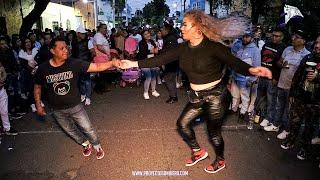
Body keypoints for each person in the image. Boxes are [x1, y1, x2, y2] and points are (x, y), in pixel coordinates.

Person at [120, 10, 272, 174]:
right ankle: (198, 152)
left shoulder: (214, 47)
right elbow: (159, 59)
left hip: (216, 97)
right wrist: (133, 64)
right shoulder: (183, 48)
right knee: (182, 124)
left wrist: (253, 70)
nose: (181, 28)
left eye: (185, 24)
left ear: (198, 28)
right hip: (197, 97)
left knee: (214, 134)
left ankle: (220, 160)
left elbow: (235, 64)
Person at [33, 37, 121, 160]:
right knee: (70, 131)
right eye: (61, 48)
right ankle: (85, 144)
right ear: (52, 51)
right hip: (56, 110)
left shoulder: (74, 63)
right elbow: (37, 87)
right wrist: (38, 104)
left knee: (88, 128)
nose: (66, 50)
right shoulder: (43, 69)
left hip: (75, 106)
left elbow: (96, 66)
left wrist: (112, 63)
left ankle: (97, 146)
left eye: (66, 47)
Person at [280, 35, 320, 161]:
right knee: (295, 121)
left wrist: (317, 78)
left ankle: (304, 148)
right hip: (300, 97)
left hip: (315, 101)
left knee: (309, 126)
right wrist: (292, 93)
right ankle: (291, 141)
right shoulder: (308, 57)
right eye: (317, 42)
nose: (317, 46)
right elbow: (297, 76)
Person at [264, 29, 310, 132]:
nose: (293, 38)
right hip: (282, 83)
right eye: (293, 36)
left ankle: (287, 130)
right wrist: (282, 64)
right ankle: (276, 125)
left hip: (292, 87)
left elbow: (304, 74)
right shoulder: (287, 49)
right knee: (279, 106)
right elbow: (279, 62)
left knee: (289, 110)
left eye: (297, 37)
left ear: (303, 41)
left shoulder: (307, 55)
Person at [256, 28, 286, 137]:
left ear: (282, 37)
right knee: (260, 97)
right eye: (273, 35)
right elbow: (261, 58)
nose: (274, 37)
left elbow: (281, 65)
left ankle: (269, 118)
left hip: (272, 78)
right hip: (262, 75)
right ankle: (262, 115)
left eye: (277, 36)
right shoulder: (266, 44)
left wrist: (276, 77)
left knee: (271, 99)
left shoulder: (283, 48)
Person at [136, 30, 160, 100]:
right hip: (144, 62)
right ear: (143, 36)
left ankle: (153, 91)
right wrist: (151, 51)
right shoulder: (141, 43)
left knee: (153, 77)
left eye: (148, 33)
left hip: (152, 61)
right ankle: (145, 92)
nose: (147, 35)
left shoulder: (152, 41)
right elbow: (142, 53)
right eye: (145, 34)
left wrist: (156, 51)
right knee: (148, 77)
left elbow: (156, 51)